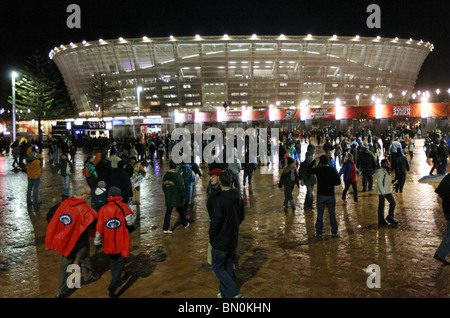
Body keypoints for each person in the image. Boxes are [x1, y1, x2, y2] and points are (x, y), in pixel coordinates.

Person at [45, 185, 99, 298]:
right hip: (79, 239)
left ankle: (60, 291)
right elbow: (93, 224)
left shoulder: (63, 204)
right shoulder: (85, 209)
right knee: (84, 257)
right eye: (88, 195)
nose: (89, 197)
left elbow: (50, 216)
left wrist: (63, 228)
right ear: (82, 195)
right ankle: (88, 277)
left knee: (65, 263)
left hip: (65, 239)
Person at [94, 186, 136, 297]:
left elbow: (99, 228)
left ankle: (116, 279)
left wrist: (97, 241)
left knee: (113, 261)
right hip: (121, 239)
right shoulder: (124, 207)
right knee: (121, 262)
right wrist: (134, 214)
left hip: (108, 241)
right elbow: (130, 222)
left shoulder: (103, 209)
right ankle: (113, 284)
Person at [210, 170, 245, 298]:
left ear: (220, 181)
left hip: (221, 239)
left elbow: (216, 221)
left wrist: (212, 234)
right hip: (233, 237)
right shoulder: (238, 197)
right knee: (228, 265)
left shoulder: (220, 200)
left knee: (217, 267)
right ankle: (226, 294)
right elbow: (242, 216)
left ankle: (234, 291)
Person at [307, 155, 342, 238]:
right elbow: (338, 182)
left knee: (320, 214)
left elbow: (308, 170)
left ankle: (319, 232)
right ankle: (334, 232)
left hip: (321, 195)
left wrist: (313, 161)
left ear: (321, 162)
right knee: (332, 213)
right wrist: (330, 183)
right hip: (330, 194)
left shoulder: (319, 170)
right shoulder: (332, 170)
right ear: (328, 162)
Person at [202, 168, 223, 270]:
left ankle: (214, 262)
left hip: (217, 220)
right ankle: (211, 261)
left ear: (219, 178)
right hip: (214, 219)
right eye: (211, 176)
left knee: (214, 239)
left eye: (213, 176)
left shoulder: (219, 191)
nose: (211, 178)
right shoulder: (214, 188)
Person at [162, 160, 190, 233]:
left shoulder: (165, 176)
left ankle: (165, 228)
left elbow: (163, 187)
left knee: (168, 212)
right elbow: (181, 187)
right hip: (177, 197)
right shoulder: (177, 176)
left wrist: (167, 193)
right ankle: (185, 224)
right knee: (181, 210)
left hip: (169, 197)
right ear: (175, 167)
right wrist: (184, 195)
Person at [433, 174, 450, 265]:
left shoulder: (447, 177)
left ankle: (441, 253)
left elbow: (440, 192)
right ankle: (440, 253)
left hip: (447, 209)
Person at [376, 159, 398, 225]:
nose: (388, 164)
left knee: (393, 203)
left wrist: (392, 182)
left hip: (388, 191)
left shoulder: (387, 171)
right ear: (382, 164)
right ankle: (381, 220)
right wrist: (383, 192)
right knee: (381, 206)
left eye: (388, 163)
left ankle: (390, 217)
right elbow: (379, 182)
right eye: (386, 163)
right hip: (383, 192)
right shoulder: (381, 171)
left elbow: (386, 180)